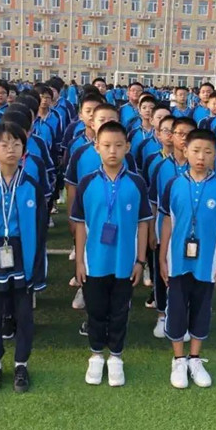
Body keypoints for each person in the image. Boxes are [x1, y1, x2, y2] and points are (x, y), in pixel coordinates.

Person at [0, 122, 48, 395]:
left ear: (24, 148)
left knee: (24, 316)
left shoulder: (31, 185)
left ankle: (21, 364)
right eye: (4, 144)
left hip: (22, 253)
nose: (11, 149)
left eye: (16, 144)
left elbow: (40, 232)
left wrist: (39, 269)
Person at [71, 121, 152, 386]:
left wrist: (140, 261)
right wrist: (79, 261)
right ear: (97, 147)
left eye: (118, 145)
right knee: (96, 310)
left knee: (119, 311)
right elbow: (80, 225)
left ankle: (116, 356)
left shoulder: (137, 183)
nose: (112, 151)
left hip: (124, 262)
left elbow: (143, 224)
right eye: (106, 145)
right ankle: (96, 355)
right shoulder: (87, 183)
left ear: (127, 147)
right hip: (94, 262)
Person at [158, 128, 216, 389]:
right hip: (177, 261)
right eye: (195, 151)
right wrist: (162, 257)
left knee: (202, 309)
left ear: (215, 155)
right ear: (185, 151)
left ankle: (194, 358)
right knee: (177, 308)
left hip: (208, 262)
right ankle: (178, 359)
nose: (201, 157)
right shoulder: (174, 184)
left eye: (207, 152)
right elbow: (167, 222)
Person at [148, 117, 197, 339]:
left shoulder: (200, 167)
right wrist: (152, 229)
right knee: (163, 273)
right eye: (180, 133)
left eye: (189, 134)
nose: (184, 138)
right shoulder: (160, 166)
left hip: (191, 234)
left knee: (187, 275)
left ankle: (183, 316)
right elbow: (153, 201)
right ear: (172, 136)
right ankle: (161, 314)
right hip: (164, 231)